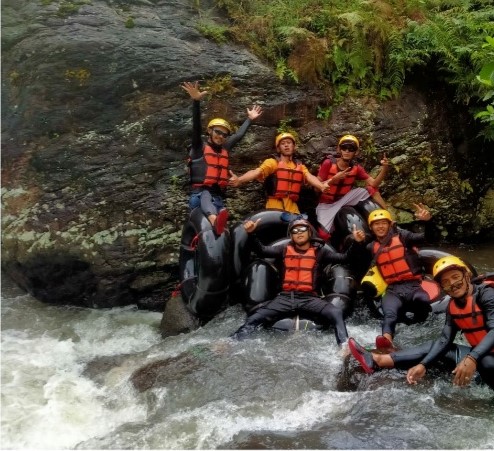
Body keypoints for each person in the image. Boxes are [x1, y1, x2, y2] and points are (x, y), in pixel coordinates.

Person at [347, 256, 494, 390]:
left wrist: (472, 358)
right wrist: (423, 365)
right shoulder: (453, 306)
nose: (453, 284)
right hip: (482, 355)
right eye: (446, 282)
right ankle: (378, 360)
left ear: (467, 275)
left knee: (486, 362)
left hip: (486, 359)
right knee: (435, 346)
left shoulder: (487, 295)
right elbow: (445, 340)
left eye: (456, 277)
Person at [230, 216, 367, 349]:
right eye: (294, 231)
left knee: (336, 312)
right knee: (255, 317)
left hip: (309, 298)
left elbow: (344, 258)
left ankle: (344, 347)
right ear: (291, 235)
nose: (298, 233)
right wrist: (251, 234)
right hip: (285, 297)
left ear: (309, 232)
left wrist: (356, 242)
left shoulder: (320, 251)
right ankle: (231, 342)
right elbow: (262, 250)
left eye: (302, 229)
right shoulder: (283, 249)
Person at [181, 81, 263, 235]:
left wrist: (250, 119)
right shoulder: (200, 147)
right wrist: (196, 101)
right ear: (210, 132)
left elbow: (238, 135)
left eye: (224, 134)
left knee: (221, 213)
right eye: (218, 132)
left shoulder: (224, 148)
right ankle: (213, 219)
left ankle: (219, 224)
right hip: (199, 195)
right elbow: (196, 126)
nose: (221, 136)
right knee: (206, 196)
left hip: (217, 197)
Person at [353, 204, 435, 350]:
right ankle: (386, 344)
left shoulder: (404, 237)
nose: (380, 227)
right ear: (371, 228)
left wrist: (428, 222)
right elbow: (356, 260)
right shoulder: (371, 247)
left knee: (422, 300)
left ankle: (422, 329)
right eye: (376, 224)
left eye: (383, 223)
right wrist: (357, 243)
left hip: (413, 285)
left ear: (390, 225)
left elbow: (429, 238)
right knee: (389, 314)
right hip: (392, 290)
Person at [229, 132, 331, 215]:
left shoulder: (300, 166)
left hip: (293, 209)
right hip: (274, 208)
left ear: (294, 146)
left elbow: (310, 177)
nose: (286, 145)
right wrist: (239, 180)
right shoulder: (272, 162)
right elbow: (256, 172)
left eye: (289, 143)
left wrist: (321, 186)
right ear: (278, 148)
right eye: (283, 143)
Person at [316, 134, 389, 240]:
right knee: (323, 235)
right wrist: (334, 179)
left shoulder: (356, 168)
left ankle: (387, 216)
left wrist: (385, 168)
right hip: (327, 204)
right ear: (339, 149)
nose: (347, 151)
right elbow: (316, 187)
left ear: (356, 152)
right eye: (344, 148)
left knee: (371, 189)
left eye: (351, 149)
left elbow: (374, 184)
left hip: (345, 199)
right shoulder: (328, 163)